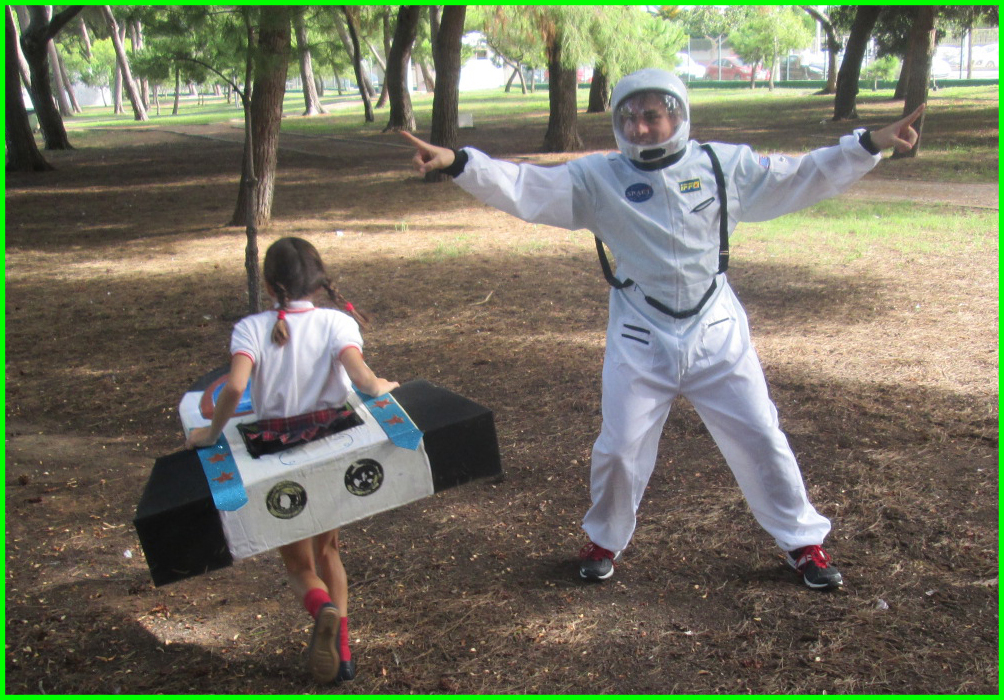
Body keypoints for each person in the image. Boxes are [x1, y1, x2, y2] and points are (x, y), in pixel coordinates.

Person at [402, 68, 924, 590]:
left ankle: (803, 543)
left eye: (651, 116)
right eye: (629, 118)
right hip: (639, 336)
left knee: (761, 437)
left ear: (679, 115)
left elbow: (801, 174)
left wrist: (869, 145)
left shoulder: (722, 166)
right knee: (620, 448)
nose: (640, 128)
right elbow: (525, 186)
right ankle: (603, 540)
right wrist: (460, 163)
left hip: (716, 331)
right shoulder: (598, 178)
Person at [184, 236, 399, 682]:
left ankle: (322, 609)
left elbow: (235, 388)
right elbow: (363, 379)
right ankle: (342, 651)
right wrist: (382, 387)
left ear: (268, 284)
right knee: (329, 550)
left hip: (276, 449)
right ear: (319, 281)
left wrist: (209, 434)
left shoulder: (251, 328)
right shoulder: (336, 322)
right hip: (333, 443)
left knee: (300, 565)